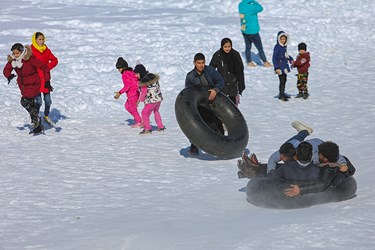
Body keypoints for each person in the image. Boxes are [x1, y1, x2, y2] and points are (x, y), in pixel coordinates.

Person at [3, 43, 51, 134]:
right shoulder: (13, 61)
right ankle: (37, 126)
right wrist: (8, 76)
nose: (15, 55)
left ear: (22, 51)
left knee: (24, 101)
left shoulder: (29, 58)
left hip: (34, 82)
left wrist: (47, 81)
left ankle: (35, 119)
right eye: (14, 53)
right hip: (23, 85)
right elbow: (6, 69)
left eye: (17, 53)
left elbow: (44, 67)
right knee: (31, 103)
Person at [185, 53, 224, 155]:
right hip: (199, 105)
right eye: (198, 63)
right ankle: (194, 146)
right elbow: (187, 92)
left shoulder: (211, 71)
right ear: (194, 63)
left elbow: (220, 81)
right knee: (198, 126)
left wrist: (215, 90)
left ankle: (222, 145)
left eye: (203, 63)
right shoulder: (190, 76)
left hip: (213, 102)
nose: (201, 65)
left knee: (216, 124)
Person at [284, 141, 356, 197]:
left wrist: (300, 189)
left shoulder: (329, 167)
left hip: (335, 187)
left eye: (320, 154)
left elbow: (321, 184)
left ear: (325, 159)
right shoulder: (334, 160)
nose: (318, 155)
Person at [31, 32, 58, 125]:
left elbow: (55, 60)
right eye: (39, 39)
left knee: (48, 101)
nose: (41, 41)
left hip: (46, 79)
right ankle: (36, 117)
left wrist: (47, 68)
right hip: (36, 80)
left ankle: (46, 115)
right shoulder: (31, 51)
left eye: (43, 39)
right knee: (38, 101)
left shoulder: (46, 50)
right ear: (35, 40)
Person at [209, 38, 245, 105]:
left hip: (233, 84)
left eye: (229, 47)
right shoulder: (218, 55)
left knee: (233, 106)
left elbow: (240, 70)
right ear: (222, 46)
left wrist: (240, 84)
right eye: (225, 47)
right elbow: (211, 69)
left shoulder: (235, 54)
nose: (227, 49)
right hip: (222, 84)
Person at [238, 0, 272, 67]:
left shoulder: (240, 5)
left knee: (248, 47)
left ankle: (249, 62)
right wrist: (254, 1)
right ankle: (265, 62)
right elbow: (260, 8)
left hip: (244, 30)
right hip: (253, 31)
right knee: (260, 48)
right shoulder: (252, 7)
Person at [133, 64, 165, 135]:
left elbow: (144, 92)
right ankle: (161, 126)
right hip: (158, 99)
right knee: (156, 111)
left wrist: (139, 101)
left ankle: (147, 129)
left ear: (141, 73)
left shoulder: (144, 81)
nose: (136, 76)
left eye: (137, 74)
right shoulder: (152, 77)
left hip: (151, 101)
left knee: (144, 113)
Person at [114, 57, 142, 128]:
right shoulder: (132, 72)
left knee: (133, 109)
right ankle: (138, 119)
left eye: (119, 69)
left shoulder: (124, 75)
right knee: (127, 106)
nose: (119, 71)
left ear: (123, 68)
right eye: (118, 69)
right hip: (136, 93)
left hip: (132, 94)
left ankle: (139, 121)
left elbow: (127, 86)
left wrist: (119, 93)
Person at [272, 31, 294, 101]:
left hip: (284, 65)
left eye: (284, 39)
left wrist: (291, 59)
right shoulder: (277, 47)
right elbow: (274, 58)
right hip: (280, 67)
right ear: (278, 39)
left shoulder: (284, 47)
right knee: (282, 80)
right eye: (281, 39)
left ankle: (283, 93)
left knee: (284, 80)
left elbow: (285, 54)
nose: (283, 41)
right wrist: (276, 68)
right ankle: (281, 94)